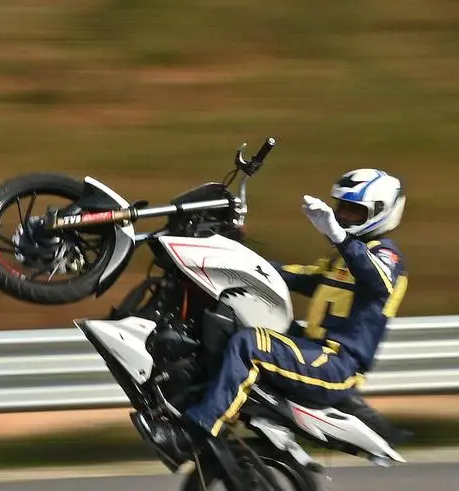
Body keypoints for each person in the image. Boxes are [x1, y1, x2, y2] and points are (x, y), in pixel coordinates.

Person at [146, 168, 410, 467]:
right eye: (342, 209)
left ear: (381, 212)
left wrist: (339, 237)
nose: (343, 217)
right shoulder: (342, 261)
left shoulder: (387, 257)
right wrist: (229, 257)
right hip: (313, 349)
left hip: (336, 364)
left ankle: (193, 433)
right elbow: (297, 276)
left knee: (249, 344)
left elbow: (377, 280)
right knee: (245, 320)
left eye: (354, 211)